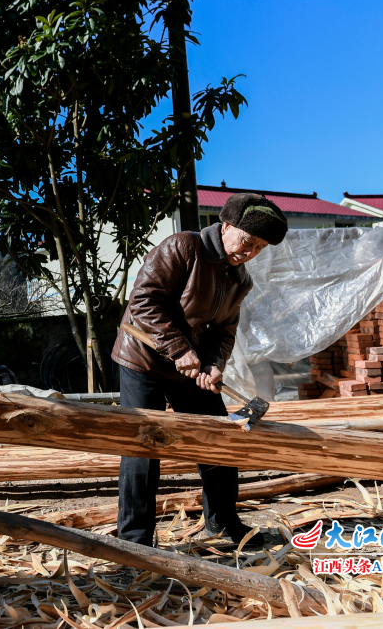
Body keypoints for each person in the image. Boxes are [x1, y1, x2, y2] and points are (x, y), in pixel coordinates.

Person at [111, 193, 288, 548]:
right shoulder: (183, 247)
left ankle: (222, 523)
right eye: (247, 242)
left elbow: (224, 331)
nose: (250, 252)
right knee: (144, 444)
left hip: (189, 367)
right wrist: (178, 349)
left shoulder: (241, 280)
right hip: (143, 358)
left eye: (260, 248)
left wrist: (212, 365)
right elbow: (143, 299)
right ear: (225, 227)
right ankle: (134, 538)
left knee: (219, 439)